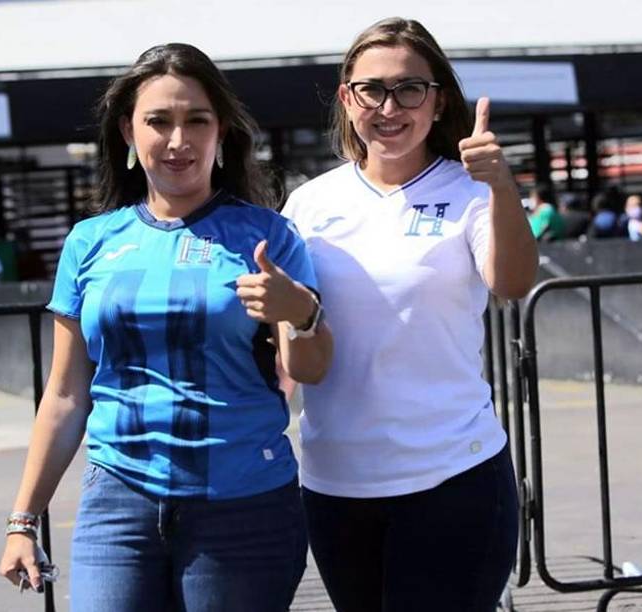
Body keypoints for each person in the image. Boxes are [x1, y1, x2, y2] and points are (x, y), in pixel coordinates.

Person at [0, 43, 332, 612]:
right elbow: (65, 393)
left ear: (220, 131)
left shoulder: (268, 238)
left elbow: (310, 369)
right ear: (128, 132)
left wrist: (299, 311)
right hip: (117, 502)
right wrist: (22, 521)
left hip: (243, 505)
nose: (178, 140)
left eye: (196, 120)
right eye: (158, 121)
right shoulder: (89, 242)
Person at [280, 17, 538, 612]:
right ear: (347, 99)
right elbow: (297, 343)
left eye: (409, 89)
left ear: (437, 99)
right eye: (372, 89)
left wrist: (502, 186)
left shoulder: (471, 190)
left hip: (453, 473)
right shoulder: (309, 204)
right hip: (337, 480)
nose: (389, 106)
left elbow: (513, 282)